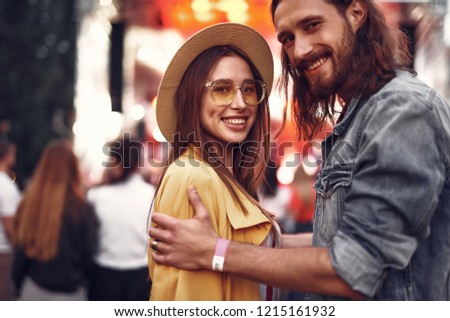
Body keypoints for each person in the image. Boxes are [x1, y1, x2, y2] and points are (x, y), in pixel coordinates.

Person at [149, 0, 450, 300]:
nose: (301, 50)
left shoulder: (399, 109)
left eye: (312, 25)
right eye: (288, 38)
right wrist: (240, 245)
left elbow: (356, 267)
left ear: (356, 13)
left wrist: (216, 251)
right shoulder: (192, 177)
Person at [148, 22, 281, 301]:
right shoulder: (194, 177)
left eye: (249, 88)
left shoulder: (222, 177)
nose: (241, 103)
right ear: (193, 98)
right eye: (222, 88)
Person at [12, 139, 97, 300]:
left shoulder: (28, 205)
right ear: (73, 170)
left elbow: (20, 252)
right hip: (71, 294)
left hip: (33, 291)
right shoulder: (83, 210)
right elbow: (88, 256)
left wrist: (18, 287)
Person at [87, 136, 154, 301]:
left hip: (104, 273)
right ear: (138, 161)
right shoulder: (151, 194)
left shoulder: (96, 196)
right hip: (141, 275)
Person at [0, 137, 21, 300]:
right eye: (12, 153)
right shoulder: (7, 186)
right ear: (6, 156)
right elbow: (9, 226)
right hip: (3, 251)